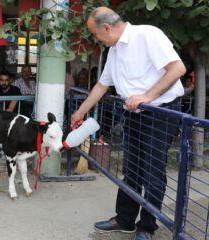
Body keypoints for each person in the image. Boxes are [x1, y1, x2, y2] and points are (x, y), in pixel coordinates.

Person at [70, 7, 186, 240]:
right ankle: (124, 219)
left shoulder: (148, 34)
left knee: (152, 170)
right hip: (134, 112)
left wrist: (148, 96)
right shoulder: (114, 50)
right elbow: (102, 85)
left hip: (160, 111)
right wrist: (80, 112)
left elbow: (177, 68)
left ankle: (147, 226)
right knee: (131, 168)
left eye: (95, 34)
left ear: (106, 27)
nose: (96, 39)